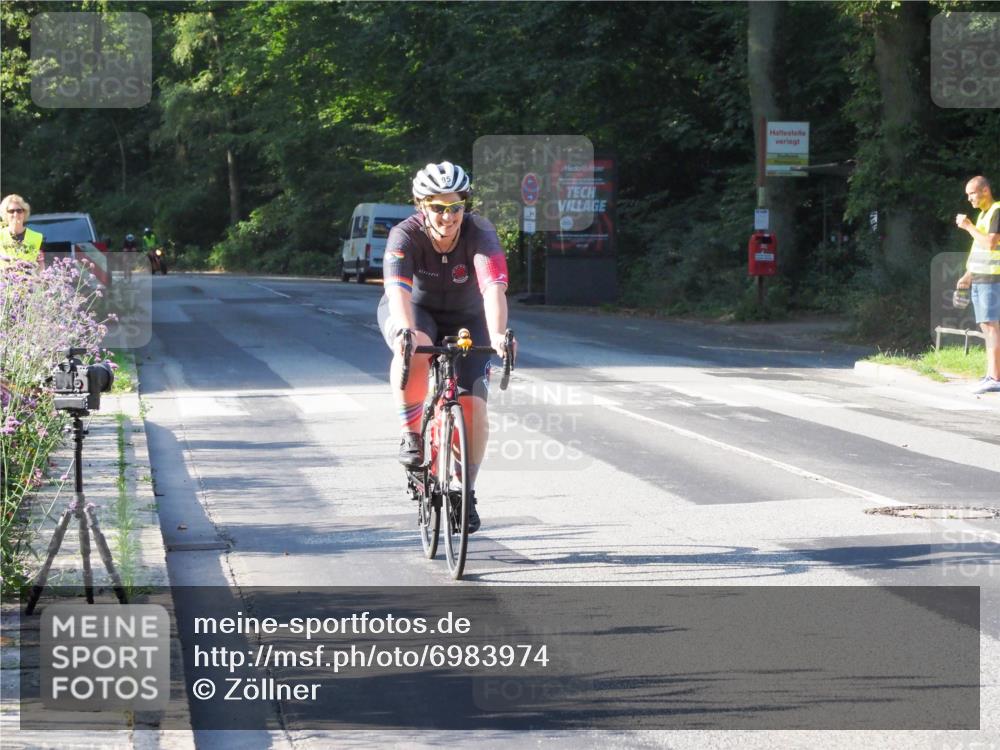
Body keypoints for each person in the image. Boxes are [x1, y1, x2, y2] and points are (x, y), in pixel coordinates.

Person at [377, 161, 515, 533]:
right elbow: (396, 291)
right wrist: (406, 331)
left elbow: (493, 288)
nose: (448, 216)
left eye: (455, 207)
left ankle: (463, 491)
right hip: (415, 310)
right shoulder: (404, 235)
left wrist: (499, 334)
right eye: (438, 207)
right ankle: (411, 432)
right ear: (421, 206)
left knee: (473, 408)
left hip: (467, 317)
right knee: (414, 345)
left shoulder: (479, 231)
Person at [955, 175, 1000, 394]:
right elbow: (980, 251)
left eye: (972, 193)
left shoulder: (997, 211)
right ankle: (991, 375)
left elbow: (990, 244)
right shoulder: (983, 215)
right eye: (968, 195)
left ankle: (995, 378)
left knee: (991, 328)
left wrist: (968, 226)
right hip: (981, 277)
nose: (969, 198)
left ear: (985, 191)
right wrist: (968, 275)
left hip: (993, 278)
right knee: (987, 327)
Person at [0, 194, 44, 268]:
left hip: (30, 279)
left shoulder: (37, 237)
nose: (16, 214)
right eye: (11, 211)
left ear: (24, 213)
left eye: (19, 210)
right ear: (5, 214)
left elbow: (41, 265)